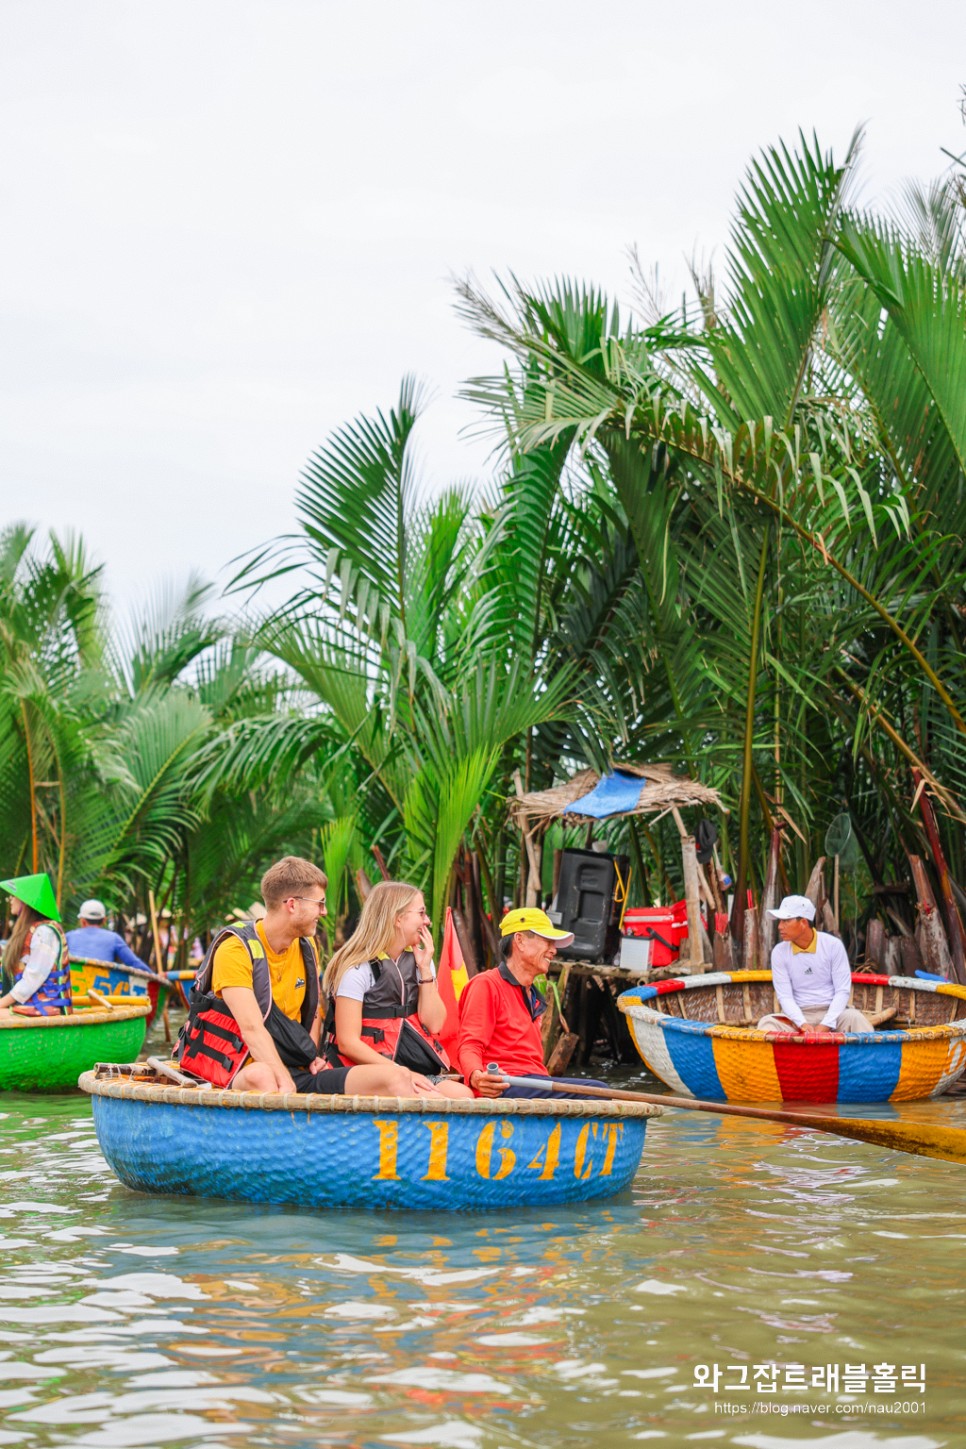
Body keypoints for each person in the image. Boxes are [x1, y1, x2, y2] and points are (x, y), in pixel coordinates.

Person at [177, 855, 431, 1097]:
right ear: (292, 904)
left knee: (395, 1078)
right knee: (265, 1077)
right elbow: (252, 1028)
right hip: (240, 1065)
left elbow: (313, 1014)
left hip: (295, 1070)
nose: (324, 912)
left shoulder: (308, 947)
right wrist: (285, 1081)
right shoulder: (235, 950)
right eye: (319, 903)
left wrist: (311, 1058)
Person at [322, 882, 472, 1099]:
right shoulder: (357, 969)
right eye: (421, 913)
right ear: (397, 918)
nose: (427, 921)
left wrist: (424, 970)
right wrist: (403, 1074)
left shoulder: (420, 961)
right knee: (434, 1101)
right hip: (363, 1070)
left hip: (406, 1068)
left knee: (463, 1096)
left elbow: (435, 1023)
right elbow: (347, 1043)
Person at [457, 907, 608, 1098]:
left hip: (533, 1081)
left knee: (598, 1090)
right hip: (505, 1084)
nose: (553, 950)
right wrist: (476, 1076)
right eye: (547, 941)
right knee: (598, 1091)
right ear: (519, 941)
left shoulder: (532, 995)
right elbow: (470, 1044)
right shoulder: (486, 984)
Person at [756, 894, 875, 1034]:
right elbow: (785, 996)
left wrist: (826, 1024)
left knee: (856, 1019)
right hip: (797, 1016)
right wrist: (802, 1024)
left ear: (803, 923)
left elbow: (842, 991)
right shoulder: (779, 952)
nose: (780, 927)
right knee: (766, 1024)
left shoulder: (833, 946)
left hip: (833, 1013)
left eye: (786, 921)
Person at [0, 873, 72, 1016]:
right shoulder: (27, 931)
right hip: (26, 1004)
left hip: (43, 1007)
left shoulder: (45, 932)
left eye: (14, 896)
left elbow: (33, 979)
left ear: (25, 901)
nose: (11, 900)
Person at [67, 900, 146, 970]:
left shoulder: (68, 937)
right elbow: (134, 963)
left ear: (82, 921)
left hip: (72, 983)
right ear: (104, 920)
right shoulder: (114, 938)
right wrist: (156, 976)